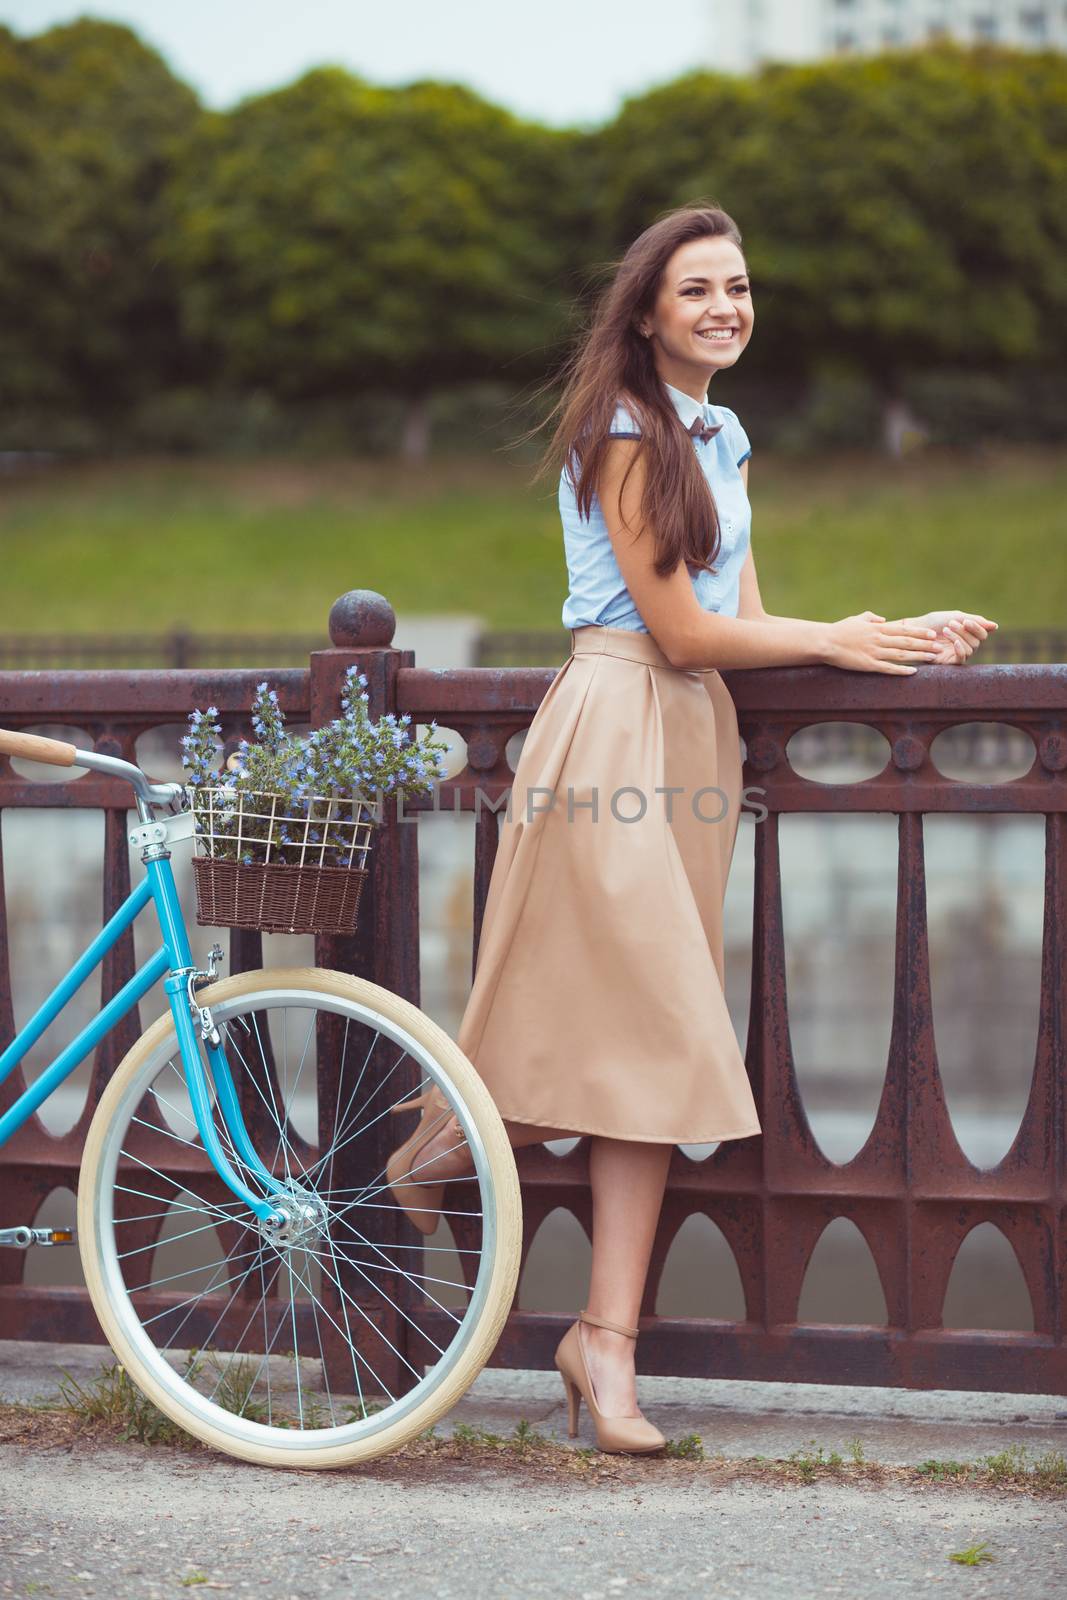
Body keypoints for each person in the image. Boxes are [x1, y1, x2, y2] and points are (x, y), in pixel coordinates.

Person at [385, 202, 997, 1453]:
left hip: (692, 740)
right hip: (612, 717)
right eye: (698, 289)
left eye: (739, 285)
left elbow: (745, 622)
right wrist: (840, 635)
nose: (725, 305)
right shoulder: (620, 432)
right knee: (639, 1011)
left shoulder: (722, 436)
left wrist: (888, 641)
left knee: (641, 1046)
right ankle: (433, 1152)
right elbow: (675, 629)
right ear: (648, 312)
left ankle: (598, 1341)